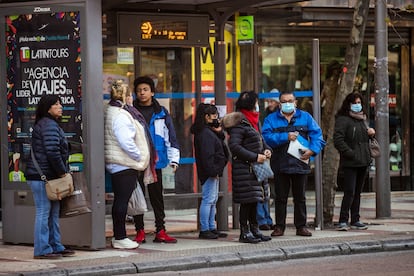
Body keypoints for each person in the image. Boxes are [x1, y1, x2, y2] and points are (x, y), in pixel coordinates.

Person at [262, 91, 325, 237]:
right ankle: (279, 227)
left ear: (295, 102)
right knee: (280, 197)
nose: (287, 103)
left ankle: (301, 226)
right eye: (284, 101)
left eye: (290, 100)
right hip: (280, 164)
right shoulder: (271, 119)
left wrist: (312, 150)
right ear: (279, 104)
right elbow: (266, 137)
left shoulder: (305, 117)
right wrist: (285, 137)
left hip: (300, 163)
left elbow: (318, 136)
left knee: (300, 197)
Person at [25, 94, 75, 259]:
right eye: (56, 104)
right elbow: (52, 152)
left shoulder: (49, 124)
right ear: (48, 108)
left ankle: (55, 246)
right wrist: (62, 172)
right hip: (42, 177)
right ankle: (42, 249)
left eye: (60, 104)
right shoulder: (49, 125)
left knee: (53, 212)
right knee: (43, 212)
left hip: (47, 176)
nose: (60, 107)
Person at [132, 76, 180, 243]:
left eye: (145, 90)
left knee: (156, 197)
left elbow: (171, 136)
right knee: (138, 196)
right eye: (139, 90)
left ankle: (160, 230)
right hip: (137, 160)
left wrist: (174, 159)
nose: (142, 93)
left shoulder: (161, 112)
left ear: (152, 92)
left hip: (156, 161)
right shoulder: (131, 111)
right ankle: (140, 231)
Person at [105, 80, 150, 249]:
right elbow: (126, 141)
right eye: (130, 95)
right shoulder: (121, 115)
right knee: (122, 201)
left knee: (120, 200)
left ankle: (119, 236)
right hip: (123, 163)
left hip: (116, 161)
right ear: (124, 96)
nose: (132, 98)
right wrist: (138, 156)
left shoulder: (109, 110)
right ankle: (120, 237)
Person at [222, 91, 272, 243]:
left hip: (255, 170)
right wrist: (255, 156)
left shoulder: (253, 122)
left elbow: (260, 140)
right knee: (247, 202)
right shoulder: (239, 123)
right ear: (251, 104)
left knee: (254, 200)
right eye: (256, 102)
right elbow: (235, 146)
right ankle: (244, 232)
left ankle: (254, 230)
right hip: (245, 170)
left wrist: (266, 149)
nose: (258, 105)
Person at [333, 92, 375, 231]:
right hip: (350, 162)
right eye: (355, 103)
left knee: (357, 192)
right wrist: (350, 153)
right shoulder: (343, 120)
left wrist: (371, 134)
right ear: (348, 104)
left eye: (359, 103)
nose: (358, 106)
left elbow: (363, 139)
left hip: (363, 161)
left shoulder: (363, 119)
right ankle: (343, 220)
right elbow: (338, 140)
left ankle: (355, 219)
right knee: (349, 191)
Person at [190, 103, 229, 239]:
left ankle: (211, 227)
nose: (216, 118)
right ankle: (205, 228)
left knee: (212, 199)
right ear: (206, 117)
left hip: (212, 171)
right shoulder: (205, 134)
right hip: (210, 172)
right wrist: (214, 170)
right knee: (209, 199)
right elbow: (208, 155)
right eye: (214, 116)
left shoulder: (206, 132)